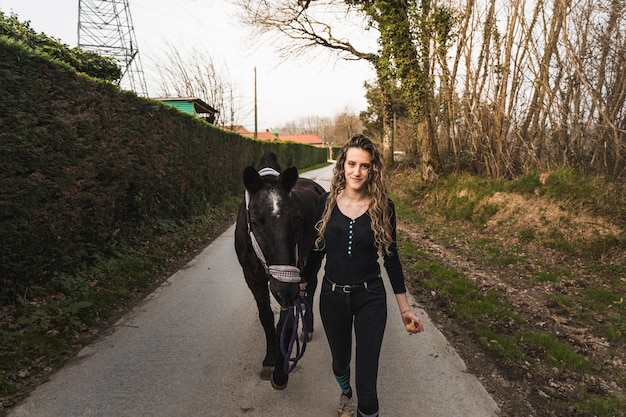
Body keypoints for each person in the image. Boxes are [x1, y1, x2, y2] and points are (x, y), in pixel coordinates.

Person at [301, 134, 424, 417]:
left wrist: (405, 309)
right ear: (342, 164)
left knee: (368, 389)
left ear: (373, 170)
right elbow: (317, 250)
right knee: (340, 364)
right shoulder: (325, 202)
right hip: (332, 297)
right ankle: (345, 391)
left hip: (371, 297)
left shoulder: (384, 207)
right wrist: (303, 282)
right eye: (352, 163)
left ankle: (362, 404)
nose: (357, 172)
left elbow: (391, 259)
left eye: (364, 166)